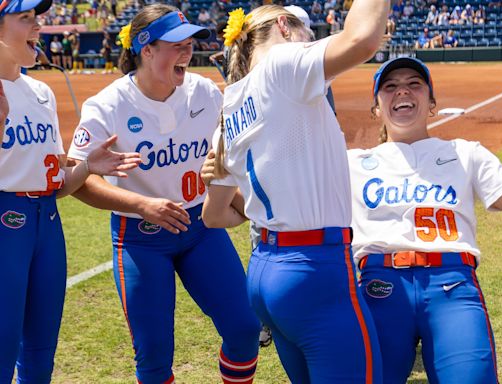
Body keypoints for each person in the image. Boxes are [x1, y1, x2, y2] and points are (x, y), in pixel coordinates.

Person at [67, 5, 261, 384]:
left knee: (244, 329)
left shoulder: (204, 92)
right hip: (140, 238)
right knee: (154, 357)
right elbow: (76, 181)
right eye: (176, 44)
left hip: (199, 230)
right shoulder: (107, 106)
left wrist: (236, 201)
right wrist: (140, 204)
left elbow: (228, 157)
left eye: (190, 43)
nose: (187, 51)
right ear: (146, 49)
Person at [201, 2, 389, 382]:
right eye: (305, 32)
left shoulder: (231, 104)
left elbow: (213, 215)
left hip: (265, 269)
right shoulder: (282, 64)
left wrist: (263, 210)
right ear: (284, 26)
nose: (311, 41)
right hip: (315, 268)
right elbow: (363, 38)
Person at [0, 0, 141, 381]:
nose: (38, 28)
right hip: (4, 224)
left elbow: (56, 185)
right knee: (2, 342)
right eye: (25, 19)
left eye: (38, 19)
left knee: (41, 347)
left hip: (47, 222)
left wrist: (88, 167)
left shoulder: (41, 93)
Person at [351, 57, 502, 384]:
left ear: (432, 103)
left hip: (452, 284)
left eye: (414, 84)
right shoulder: (352, 162)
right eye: (390, 87)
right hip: (379, 285)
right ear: (377, 109)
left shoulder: (465, 153)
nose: (402, 92)